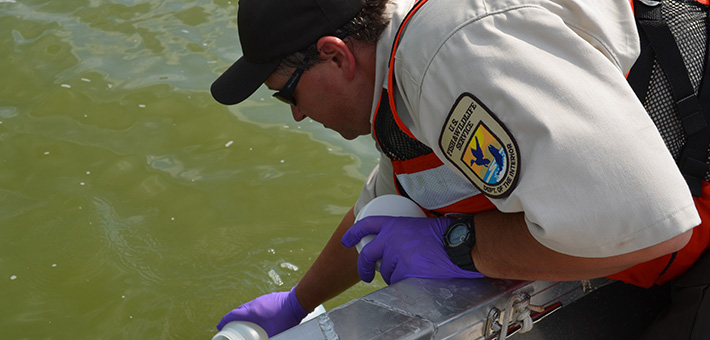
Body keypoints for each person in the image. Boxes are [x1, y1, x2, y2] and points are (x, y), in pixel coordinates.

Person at [209, 0, 710, 338]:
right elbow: (391, 194)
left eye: (286, 92)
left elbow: (651, 227)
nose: (295, 113)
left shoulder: (446, 56)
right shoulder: (401, 61)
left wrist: (461, 248)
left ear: (335, 56)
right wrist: (297, 303)